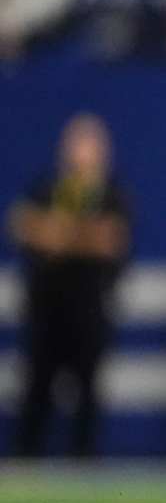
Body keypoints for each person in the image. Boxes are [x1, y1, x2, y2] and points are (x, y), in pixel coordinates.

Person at [8, 114, 130, 457]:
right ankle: (25, 460)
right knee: (36, 391)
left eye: (89, 145)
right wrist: (81, 235)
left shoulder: (113, 194)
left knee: (87, 395)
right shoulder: (46, 188)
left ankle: (84, 462)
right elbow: (21, 225)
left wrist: (58, 234)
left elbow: (111, 239)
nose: (82, 153)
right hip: (47, 309)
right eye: (76, 144)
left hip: (88, 311)